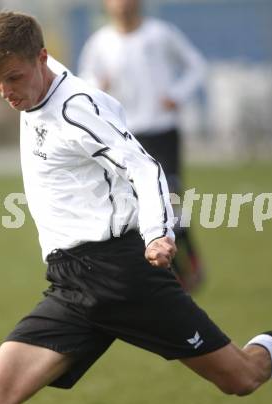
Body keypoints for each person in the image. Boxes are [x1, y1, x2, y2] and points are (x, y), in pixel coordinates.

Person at [0, 11, 272, 404]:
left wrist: (159, 232)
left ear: (42, 58)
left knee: (241, 377)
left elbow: (144, 167)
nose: (5, 91)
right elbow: (19, 44)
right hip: (70, 283)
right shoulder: (37, 82)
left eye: (13, 77)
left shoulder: (76, 110)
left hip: (122, 275)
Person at [78, 0, 206, 291]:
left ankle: (190, 261)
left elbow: (196, 65)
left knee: (170, 199)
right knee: (140, 206)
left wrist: (177, 93)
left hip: (162, 129)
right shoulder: (100, 43)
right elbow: (85, 83)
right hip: (126, 136)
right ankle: (170, 271)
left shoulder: (160, 34)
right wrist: (99, 83)